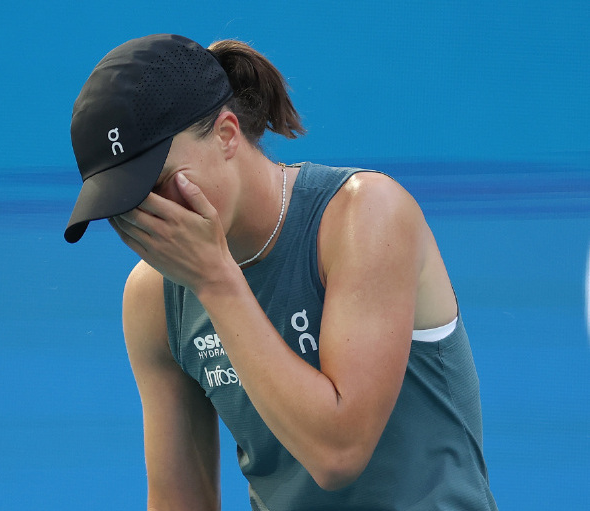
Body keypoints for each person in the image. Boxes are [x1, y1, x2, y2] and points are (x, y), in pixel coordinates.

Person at [64, 34, 498, 511]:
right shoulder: (155, 295)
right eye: (125, 202)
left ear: (227, 134)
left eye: (158, 182)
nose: (151, 213)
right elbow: (178, 501)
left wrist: (215, 281)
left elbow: (338, 454)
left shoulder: (367, 215)